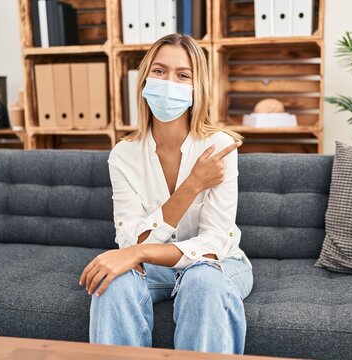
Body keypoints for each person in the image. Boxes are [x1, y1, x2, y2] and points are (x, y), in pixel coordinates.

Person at [78, 33, 253, 354]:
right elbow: (131, 240)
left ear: (197, 87)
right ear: (144, 78)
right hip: (155, 268)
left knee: (203, 281)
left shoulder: (219, 147)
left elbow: (213, 243)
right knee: (113, 284)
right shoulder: (123, 154)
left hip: (220, 263)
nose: (169, 82)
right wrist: (192, 186)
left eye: (183, 75)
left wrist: (140, 253)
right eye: (159, 71)